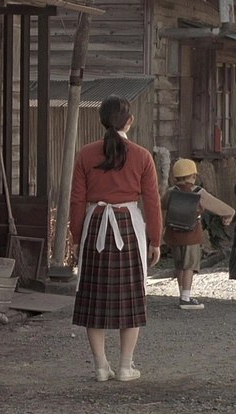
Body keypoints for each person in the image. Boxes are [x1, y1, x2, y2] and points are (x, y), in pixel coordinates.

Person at [69, 95, 162, 383]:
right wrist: (156, 240)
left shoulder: (86, 154)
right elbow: (152, 201)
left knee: (93, 298)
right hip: (128, 225)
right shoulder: (142, 156)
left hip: (95, 224)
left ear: (101, 120)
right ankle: (124, 367)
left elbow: (77, 200)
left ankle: (100, 366)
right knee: (131, 298)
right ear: (129, 121)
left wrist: (76, 237)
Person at [161, 158, 234, 309]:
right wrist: (230, 212)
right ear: (193, 176)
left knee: (179, 265)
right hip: (191, 234)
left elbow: (162, 204)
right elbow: (217, 206)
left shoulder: (171, 191)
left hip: (173, 234)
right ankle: (186, 298)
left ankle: (182, 293)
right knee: (189, 266)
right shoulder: (198, 192)